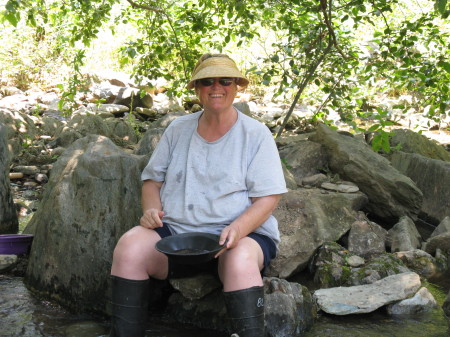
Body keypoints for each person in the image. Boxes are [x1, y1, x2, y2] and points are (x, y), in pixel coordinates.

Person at [110, 53, 287, 337]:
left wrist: (238, 229)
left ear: (236, 86)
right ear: (196, 88)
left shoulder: (256, 134)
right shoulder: (178, 129)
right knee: (129, 246)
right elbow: (152, 181)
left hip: (239, 237)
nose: (216, 87)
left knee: (239, 261)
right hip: (177, 236)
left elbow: (269, 198)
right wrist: (151, 211)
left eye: (225, 80)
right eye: (207, 81)